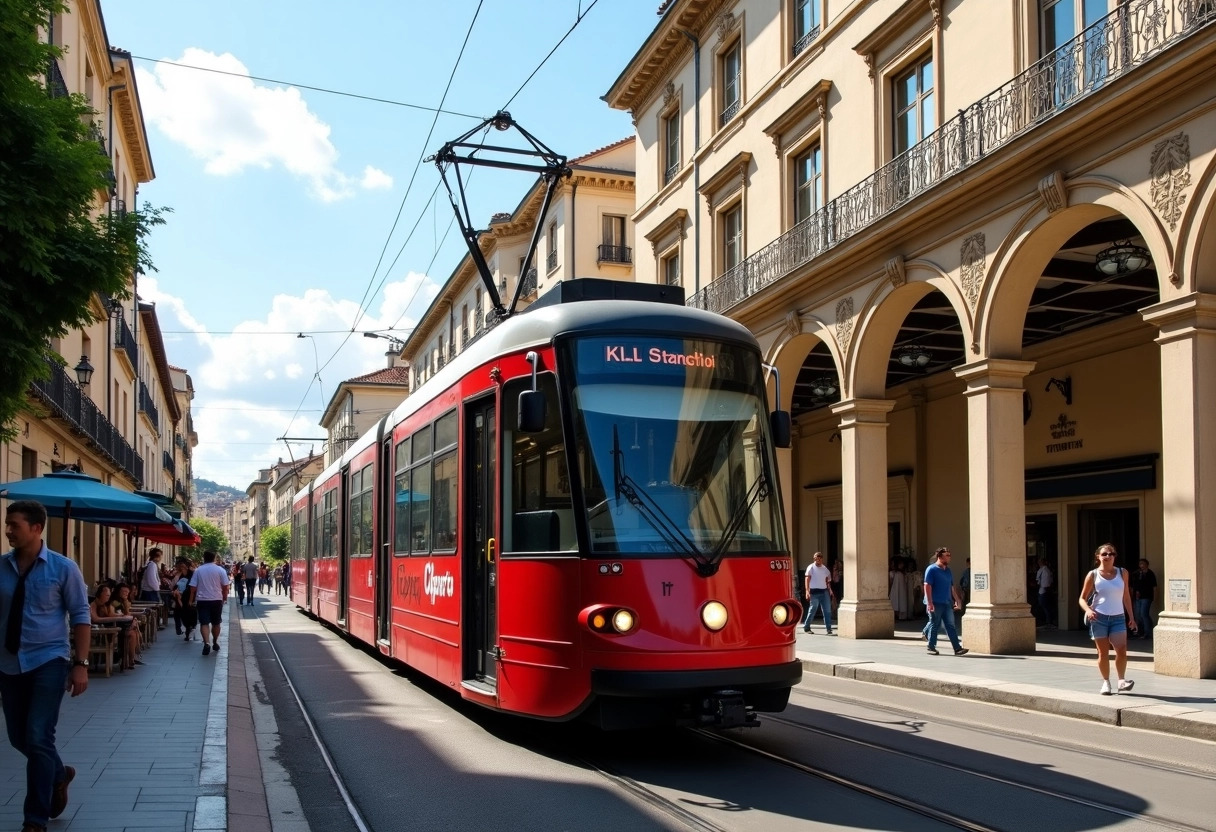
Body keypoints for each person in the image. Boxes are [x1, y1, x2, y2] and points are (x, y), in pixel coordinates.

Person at [1, 500, 92, 832]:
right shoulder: (1, 567)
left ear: (36, 528)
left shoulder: (63, 568)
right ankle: (58, 773)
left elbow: (81, 616)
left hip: (49, 661)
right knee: (18, 737)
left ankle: (34, 819)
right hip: (9, 663)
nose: (8, 530)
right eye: (8, 524)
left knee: (38, 736)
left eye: (15, 524)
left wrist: (80, 664)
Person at [1079, 543, 1137, 695]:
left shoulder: (1122, 572)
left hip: (1118, 617)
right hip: (1099, 617)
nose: (1108, 556)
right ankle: (1106, 682)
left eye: (1111, 554)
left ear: (1114, 557)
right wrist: (1088, 610)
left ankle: (1122, 681)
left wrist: (1131, 617)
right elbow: (1082, 599)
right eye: (1104, 554)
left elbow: (1126, 597)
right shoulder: (1093, 575)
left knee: (1121, 650)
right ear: (1098, 557)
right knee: (1103, 653)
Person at [924, 547, 968, 656]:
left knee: (950, 625)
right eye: (947, 555)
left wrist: (957, 600)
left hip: (947, 602)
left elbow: (951, 587)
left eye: (950, 555)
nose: (949, 558)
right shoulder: (931, 569)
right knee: (935, 624)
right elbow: (927, 586)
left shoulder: (948, 570)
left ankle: (957, 648)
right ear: (939, 556)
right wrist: (929, 602)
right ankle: (931, 646)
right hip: (936, 602)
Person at [189, 551, 231, 656]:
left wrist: (191, 600)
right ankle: (215, 641)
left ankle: (206, 643)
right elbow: (225, 586)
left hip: (202, 600)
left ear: (204, 558)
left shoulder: (198, 570)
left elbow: (193, 587)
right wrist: (224, 598)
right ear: (214, 558)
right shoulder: (220, 570)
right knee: (216, 622)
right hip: (216, 599)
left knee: (204, 623)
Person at [88, 585, 140, 670]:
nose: (108, 598)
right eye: (107, 595)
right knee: (130, 633)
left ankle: (129, 660)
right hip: (100, 632)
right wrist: (115, 618)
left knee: (132, 633)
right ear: (100, 594)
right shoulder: (93, 605)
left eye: (109, 595)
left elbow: (113, 614)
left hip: (110, 628)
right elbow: (96, 619)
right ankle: (127, 660)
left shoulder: (106, 605)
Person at [803, 552, 834, 635]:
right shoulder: (811, 567)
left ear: (822, 559)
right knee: (813, 609)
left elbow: (828, 580)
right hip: (814, 592)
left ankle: (829, 629)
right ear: (814, 559)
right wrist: (807, 591)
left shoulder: (825, 569)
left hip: (824, 592)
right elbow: (807, 579)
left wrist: (830, 590)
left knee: (827, 610)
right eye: (816, 557)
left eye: (820, 557)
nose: (818, 559)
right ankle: (807, 627)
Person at [1130, 558, 1157, 640]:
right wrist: (1132, 596)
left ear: (1147, 565)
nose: (1141, 565)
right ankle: (1139, 631)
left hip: (1146, 597)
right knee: (1137, 615)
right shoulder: (1136, 573)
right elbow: (1132, 586)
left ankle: (1147, 632)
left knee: (1144, 614)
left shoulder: (1150, 574)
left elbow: (1154, 587)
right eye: (1140, 564)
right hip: (1137, 597)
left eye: (1143, 564)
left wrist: (1155, 597)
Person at [1035, 557, 1056, 629]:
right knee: (1043, 607)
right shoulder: (1043, 570)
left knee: (1045, 607)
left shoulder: (1045, 571)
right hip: (1042, 591)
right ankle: (1047, 621)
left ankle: (1048, 622)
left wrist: (1042, 587)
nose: (1038, 563)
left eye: (1040, 561)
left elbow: (1046, 583)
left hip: (1043, 591)